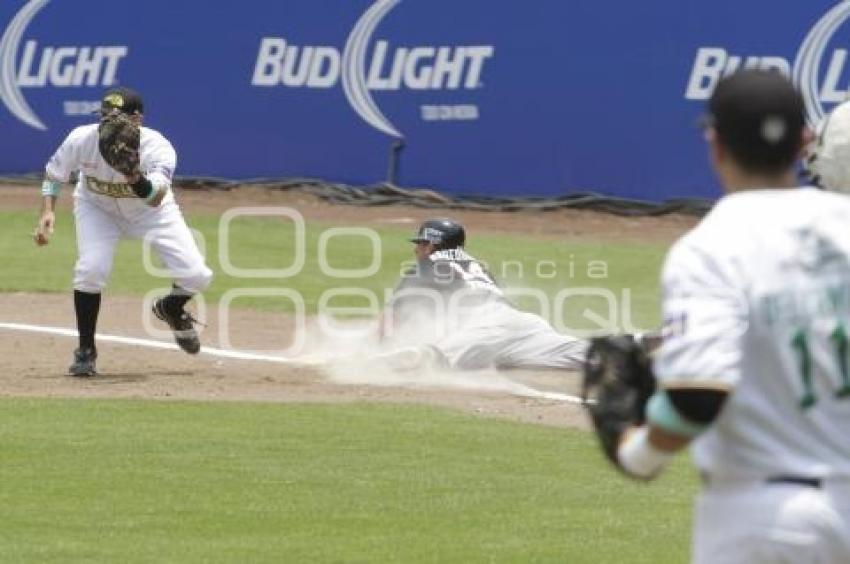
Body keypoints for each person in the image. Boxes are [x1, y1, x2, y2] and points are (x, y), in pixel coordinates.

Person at [591, 69, 850, 563]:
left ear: (715, 143)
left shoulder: (711, 247)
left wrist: (636, 451)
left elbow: (697, 394)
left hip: (767, 522)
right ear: (804, 141)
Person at [33, 87, 213, 377]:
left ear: (137, 119)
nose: (107, 124)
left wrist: (132, 174)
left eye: (116, 119)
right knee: (91, 270)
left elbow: (153, 197)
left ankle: (171, 307)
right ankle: (85, 352)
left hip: (151, 212)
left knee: (197, 275)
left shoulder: (158, 147)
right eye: (104, 117)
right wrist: (47, 211)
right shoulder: (82, 138)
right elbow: (54, 176)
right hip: (97, 208)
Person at [381, 218, 586, 371]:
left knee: (430, 362)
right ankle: (614, 352)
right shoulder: (476, 265)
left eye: (420, 243)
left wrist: (379, 343)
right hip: (522, 322)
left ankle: (376, 365)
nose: (416, 249)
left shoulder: (426, 266)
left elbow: (390, 319)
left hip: (483, 329)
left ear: (431, 246)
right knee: (580, 354)